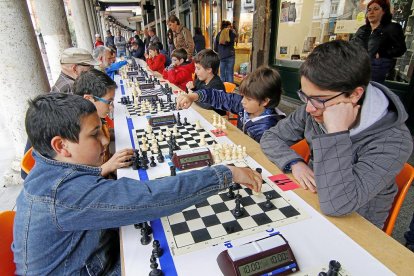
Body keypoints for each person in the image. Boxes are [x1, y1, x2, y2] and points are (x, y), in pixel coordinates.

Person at [12, 93, 262, 275]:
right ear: (61, 146)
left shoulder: (48, 172)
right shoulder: (63, 194)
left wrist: (102, 169)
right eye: (94, 134)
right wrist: (227, 173)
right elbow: (152, 197)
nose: (104, 141)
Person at [260, 40, 413, 229]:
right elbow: (270, 137)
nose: (308, 107)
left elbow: (337, 204)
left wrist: (336, 134)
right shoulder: (314, 107)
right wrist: (295, 163)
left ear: (355, 94)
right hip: (312, 201)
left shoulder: (394, 141)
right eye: (305, 95)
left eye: (318, 99)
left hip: (357, 227)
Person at [177, 66, 285, 142]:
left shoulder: (268, 128)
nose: (242, 101)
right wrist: (192, 96)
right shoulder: (244, 105)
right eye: (243, 96)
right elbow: (218, 96)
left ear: (265, 101)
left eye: (248, 98)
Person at [73, 69, 133, 176]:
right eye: (109, 102)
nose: (111, 107)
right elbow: (79, 180)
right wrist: (107, 167)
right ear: (89, 99)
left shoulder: (97, 117)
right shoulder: (75, 131)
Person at [352, 0, 406, 83]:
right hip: (358, 65)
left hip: (378, 67)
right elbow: (352, 44)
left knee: (371, 90)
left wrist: (382, 54)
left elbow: (401, 49)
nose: (371, 12)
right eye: (369, 10)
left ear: (384, 11)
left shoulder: (392, 28)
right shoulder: (363, 29)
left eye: (376, 9)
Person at [186, 49, 226, 116]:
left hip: (215, 119)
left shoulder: (217, 85)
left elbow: (208, 106)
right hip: (202, 114)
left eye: (198, 68)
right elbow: (189, 92)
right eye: (195, 68)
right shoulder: (200, 80)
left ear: (209, 70)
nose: (195, 71)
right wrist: (191, 88)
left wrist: (193, 96)